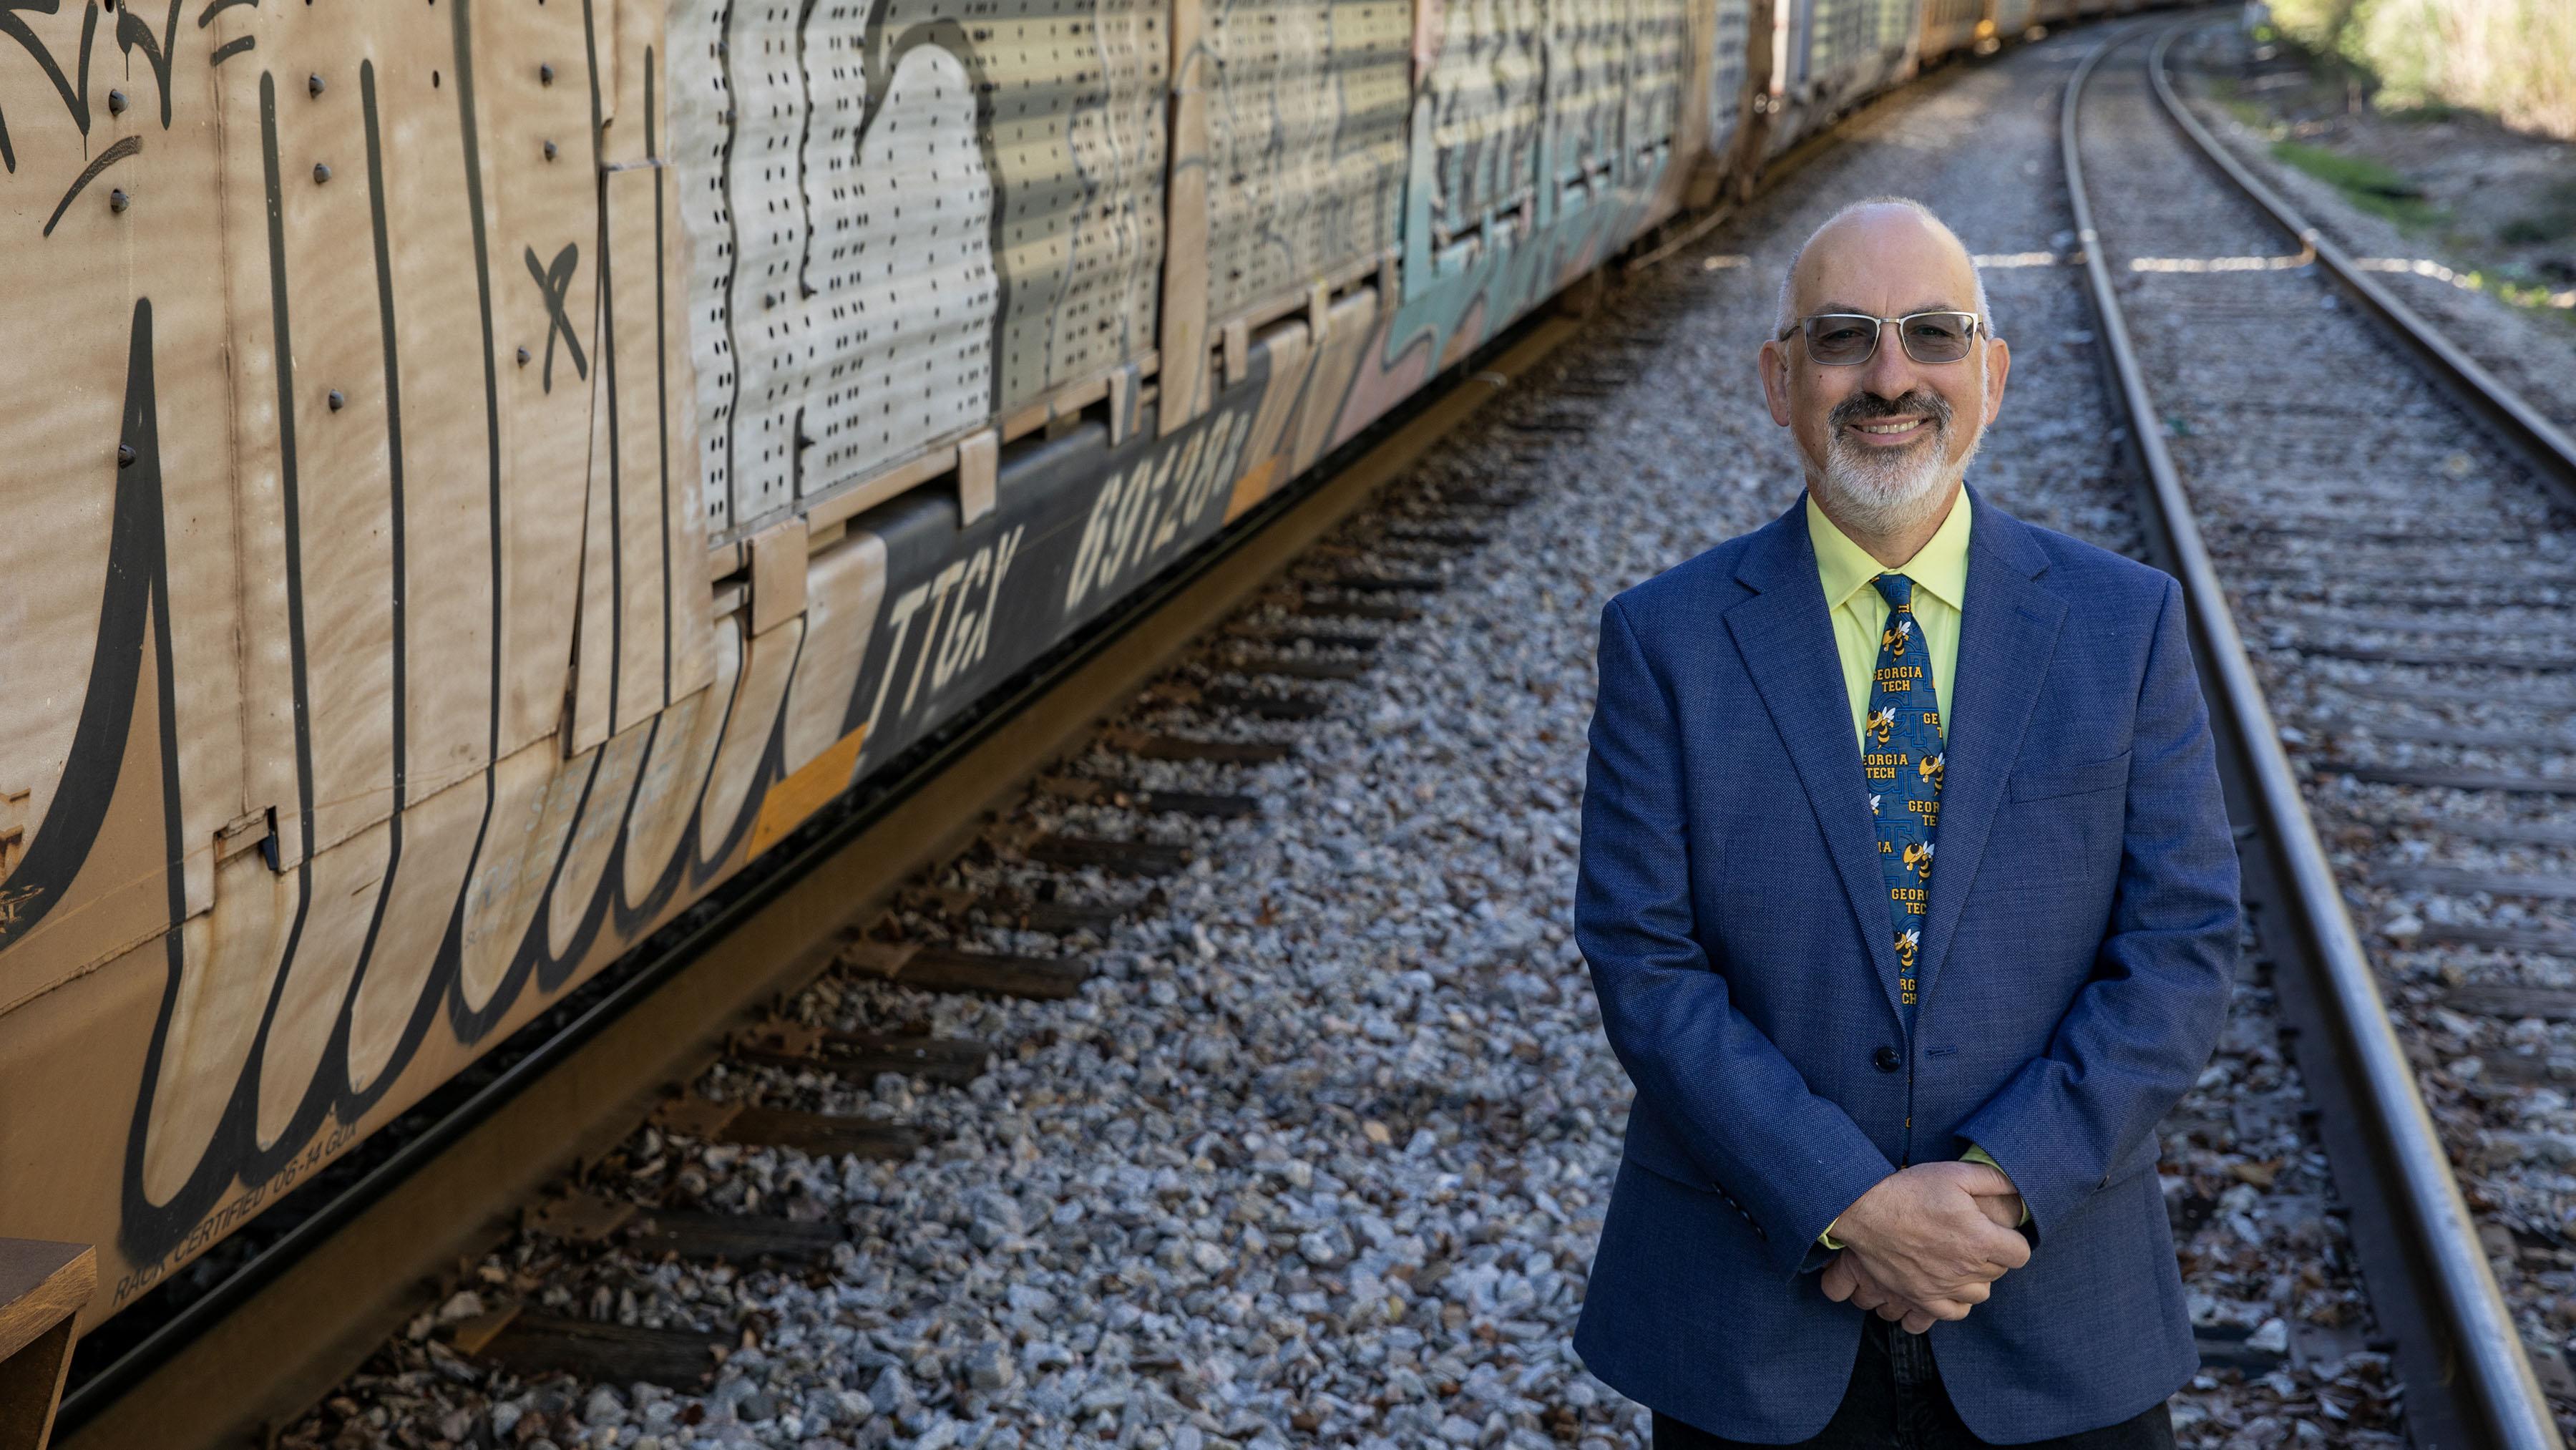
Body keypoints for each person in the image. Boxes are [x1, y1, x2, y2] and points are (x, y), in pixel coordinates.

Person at [1570, 198, 2240, 1448]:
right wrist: (1849, 1203)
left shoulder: (2123, 625)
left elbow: (2182, 947)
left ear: (1990, 372)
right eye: (1843, 338)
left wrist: (1992, 1191)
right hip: (1751, 1328)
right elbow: (1643, 964)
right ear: (1780, 380)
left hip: (2056, 1317)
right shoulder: (1665, 640)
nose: (1890, 376)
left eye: (1933, 334)